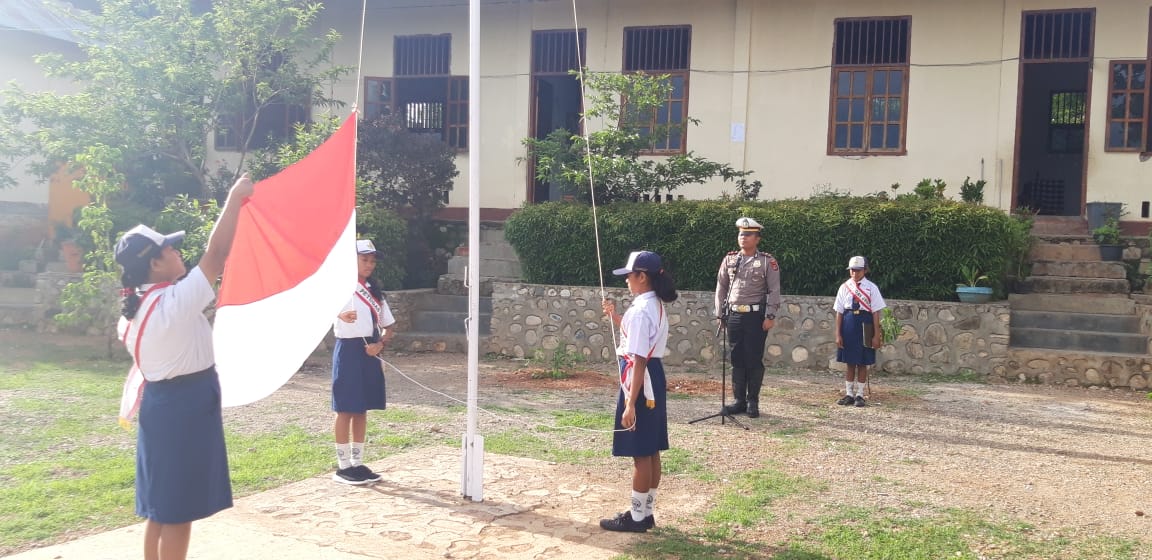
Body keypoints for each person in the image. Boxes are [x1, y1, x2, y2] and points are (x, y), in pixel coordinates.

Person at [115, 174, 254, 560]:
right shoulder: (174, 303)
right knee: (177, 512)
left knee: (159, 505)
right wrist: (234, 198)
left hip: (163, 403)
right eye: (172, 251)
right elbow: (217, 252)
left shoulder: (134, 312)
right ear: (156, 263)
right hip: (185, 404)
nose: (180, 254)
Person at [599, 250, 678, 533]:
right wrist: (616, 316)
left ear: (641, 277)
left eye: (630, 276)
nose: (626, 282)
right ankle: (646, 512)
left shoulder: (642, 310)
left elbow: (639, 356)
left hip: (641, 378)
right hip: (651, 376)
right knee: (652, 448)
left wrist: (631, 403)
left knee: (641, 452)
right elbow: (638, 338)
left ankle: (636, 518)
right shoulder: (653, 305)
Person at [330, 239, 396, 485]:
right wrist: (339, 314)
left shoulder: (374, 291)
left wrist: (380, 345)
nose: (369, 264)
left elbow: (389, 326)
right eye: (364, 259)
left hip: (371, 349)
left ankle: (357, 463)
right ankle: (343, 465)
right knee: (345, 407)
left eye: (372, 261)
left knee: (362, 408)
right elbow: (318, 308)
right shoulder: (339, 286)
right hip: (348, 349)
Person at [713, 217, 781, 419]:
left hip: (755, 316)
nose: (743, 238)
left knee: (753, 358)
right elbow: (721, 287)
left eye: (748, 234)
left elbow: (774, 290)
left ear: (757, 238)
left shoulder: (767, 261)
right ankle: (738, 400)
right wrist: (720, 313)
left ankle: (753, 401)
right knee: (736, 358)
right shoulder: (731, 259)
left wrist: (770, 315)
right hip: (733, 314)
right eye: (741, 234)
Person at [834, 256, 886, 407]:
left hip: (866, 323)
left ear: (865, 270)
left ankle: (860, 395)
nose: (854, 273)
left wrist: (876, 335)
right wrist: (838, 333)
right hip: (848, 323)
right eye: (852, 270)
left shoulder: (872, 288)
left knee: (863, 361)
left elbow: (876, 312)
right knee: (850, 361)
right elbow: (839, 312)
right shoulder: (844, 287)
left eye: (858, 270)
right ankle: (849, 393)